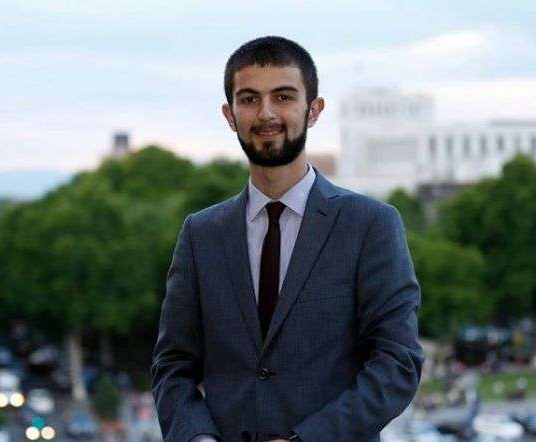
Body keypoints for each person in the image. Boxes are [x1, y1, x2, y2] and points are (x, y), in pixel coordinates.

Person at [151, 36, 423, 442]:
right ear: (229, 115)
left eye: (283, 97)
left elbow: (397, 363)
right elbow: (172, 365)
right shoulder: (200, 234)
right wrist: (198, 438)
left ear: (314, 110)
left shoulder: (371, 225)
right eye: (249, 99)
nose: (266, 113)